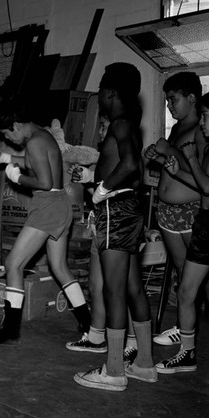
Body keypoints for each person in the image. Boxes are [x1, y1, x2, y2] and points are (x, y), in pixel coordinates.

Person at [73, 62, 156, 392]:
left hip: (115, 212)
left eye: (100, 96)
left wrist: (103, 188)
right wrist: (93, 179)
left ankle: (114, 370)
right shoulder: (130, 125)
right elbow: (125, 168)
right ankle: (145, 364)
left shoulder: (120, 124)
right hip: (129, 210)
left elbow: (130, 165)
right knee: (134, 287)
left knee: (114, 290)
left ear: (109, 94)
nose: (100, 102)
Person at [0, 99, 91, 345]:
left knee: (13, 264)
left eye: (7, 132)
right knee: (59, 267)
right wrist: (6, 158)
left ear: (16, 124)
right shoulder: (42, 136)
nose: (8, 137)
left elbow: (43, 182)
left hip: (47, 206)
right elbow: (38, 164)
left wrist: (16, 177)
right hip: (59, 204)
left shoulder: (35, 142)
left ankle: (10, 329)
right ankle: (87, 322)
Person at [65, 115, 139, 366]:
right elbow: (95, 194)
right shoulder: (104, 161)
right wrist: (87, 178)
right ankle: (96, 336)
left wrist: (96, 182)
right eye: (100, 127)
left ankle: (131, 343)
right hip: (99, 225)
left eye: (105, 127)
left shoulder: (125, 159)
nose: (101, 132)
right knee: (96, 287)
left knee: (119, 290)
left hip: (116, 224)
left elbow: (123, 185)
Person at [143, 72, 206, 346]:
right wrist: (157, 157)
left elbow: (197, 174)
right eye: (167, 100)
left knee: (201, 276)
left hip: (191, 212)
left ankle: (191, 331)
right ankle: (183, 327)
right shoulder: (177, 127)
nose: (169, 106)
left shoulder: (202, 131)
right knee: (183, 273)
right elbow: (172, 168)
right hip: (168, 214)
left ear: (191, 98)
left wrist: (168, 149)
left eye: (173, 100)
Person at [155, 90, 209, 373]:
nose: (202, 122)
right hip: (205, 223)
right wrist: (177, 169)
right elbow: (199, 181)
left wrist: (188, 157)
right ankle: (187, 354)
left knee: (199, 289)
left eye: (207, 116)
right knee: (188, 290)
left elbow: (207, 187)